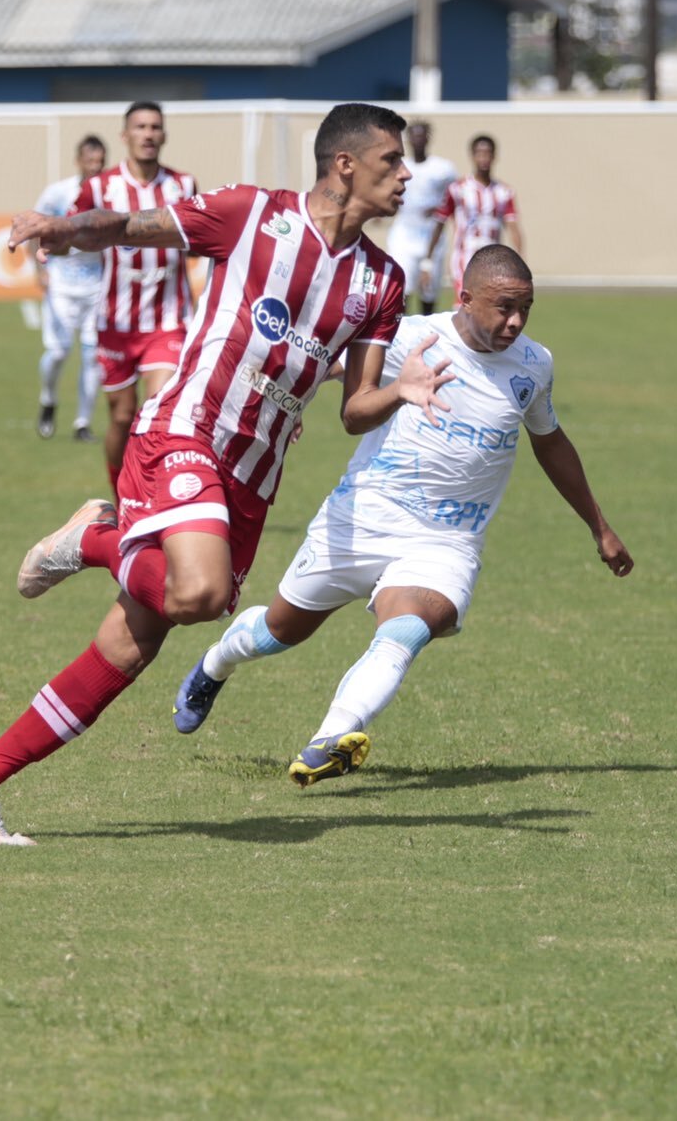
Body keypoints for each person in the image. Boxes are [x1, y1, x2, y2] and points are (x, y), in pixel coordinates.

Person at [0, 102, 439, 846]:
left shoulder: (382, 282)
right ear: (345, 165)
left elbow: (355, 409)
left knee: (133, 647)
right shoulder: (252, 215)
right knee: (199, 592)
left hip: (252, 479)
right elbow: (136, 227)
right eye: (393, 161)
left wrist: (403, 391)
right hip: (185, 430)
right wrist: (63, 230)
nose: (406, 174)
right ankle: (101, 538)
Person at [170, 244, 634, 784]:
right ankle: (216, 664)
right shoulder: (411, 337)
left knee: (411, 625)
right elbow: (319, 367)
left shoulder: (534, 365)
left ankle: (332, 736)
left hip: (447, 541)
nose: (515, 322)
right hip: (362, 517)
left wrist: (599, 527)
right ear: (464, 298)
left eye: (525, 309)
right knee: (279, 630)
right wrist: (285, 409)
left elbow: (550, 441)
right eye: (503, 307)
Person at [71, 101, 199, 492]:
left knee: (159, 410)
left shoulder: (183, 185)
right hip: (116, 323)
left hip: (169, 320)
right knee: (123, 417)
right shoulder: (100, 186)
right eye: (140, 127)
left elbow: (199, 241)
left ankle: (157, 499)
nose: (148, 134)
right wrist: (51, 242)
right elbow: (73, 228)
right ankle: (122, 497)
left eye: (155, 127)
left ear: (164, 135)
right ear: (125, 136)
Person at [34, 135, 109, 442]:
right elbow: (36, 227)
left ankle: (82, 422)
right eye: (90, 161)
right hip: (62, 283)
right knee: (59, 351)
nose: (95, 166)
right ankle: (48, 399)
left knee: (92, 356)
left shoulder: (111, 191)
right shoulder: (58, 192)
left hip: (97, 285)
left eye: (100, 162)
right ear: (78, 160)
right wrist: (40, 269)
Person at [434, 134, 523, 299]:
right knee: (465, 305)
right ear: (472, 156)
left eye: (488, 153)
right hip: (465, 256)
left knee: (489, 309)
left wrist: (519, 260)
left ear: (495, 156)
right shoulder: (457, 189)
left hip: (493, 259)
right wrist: (428, 259)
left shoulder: (504, 192)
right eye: (479, 153)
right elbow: (439, 222)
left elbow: (513, 228)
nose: (484, 158)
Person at [391, 120, 461, 315]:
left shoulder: (443, 168)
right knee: (402, 285)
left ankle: (425, 332)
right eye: (414, 135)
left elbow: (455, 197)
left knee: (428, 289)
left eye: (421, 135)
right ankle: (400, 332)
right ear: (408, 139)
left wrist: (438, 208)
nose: (417, 140)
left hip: (432, 236)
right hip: (405, 235)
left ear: (428, 138)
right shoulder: (400, 166)